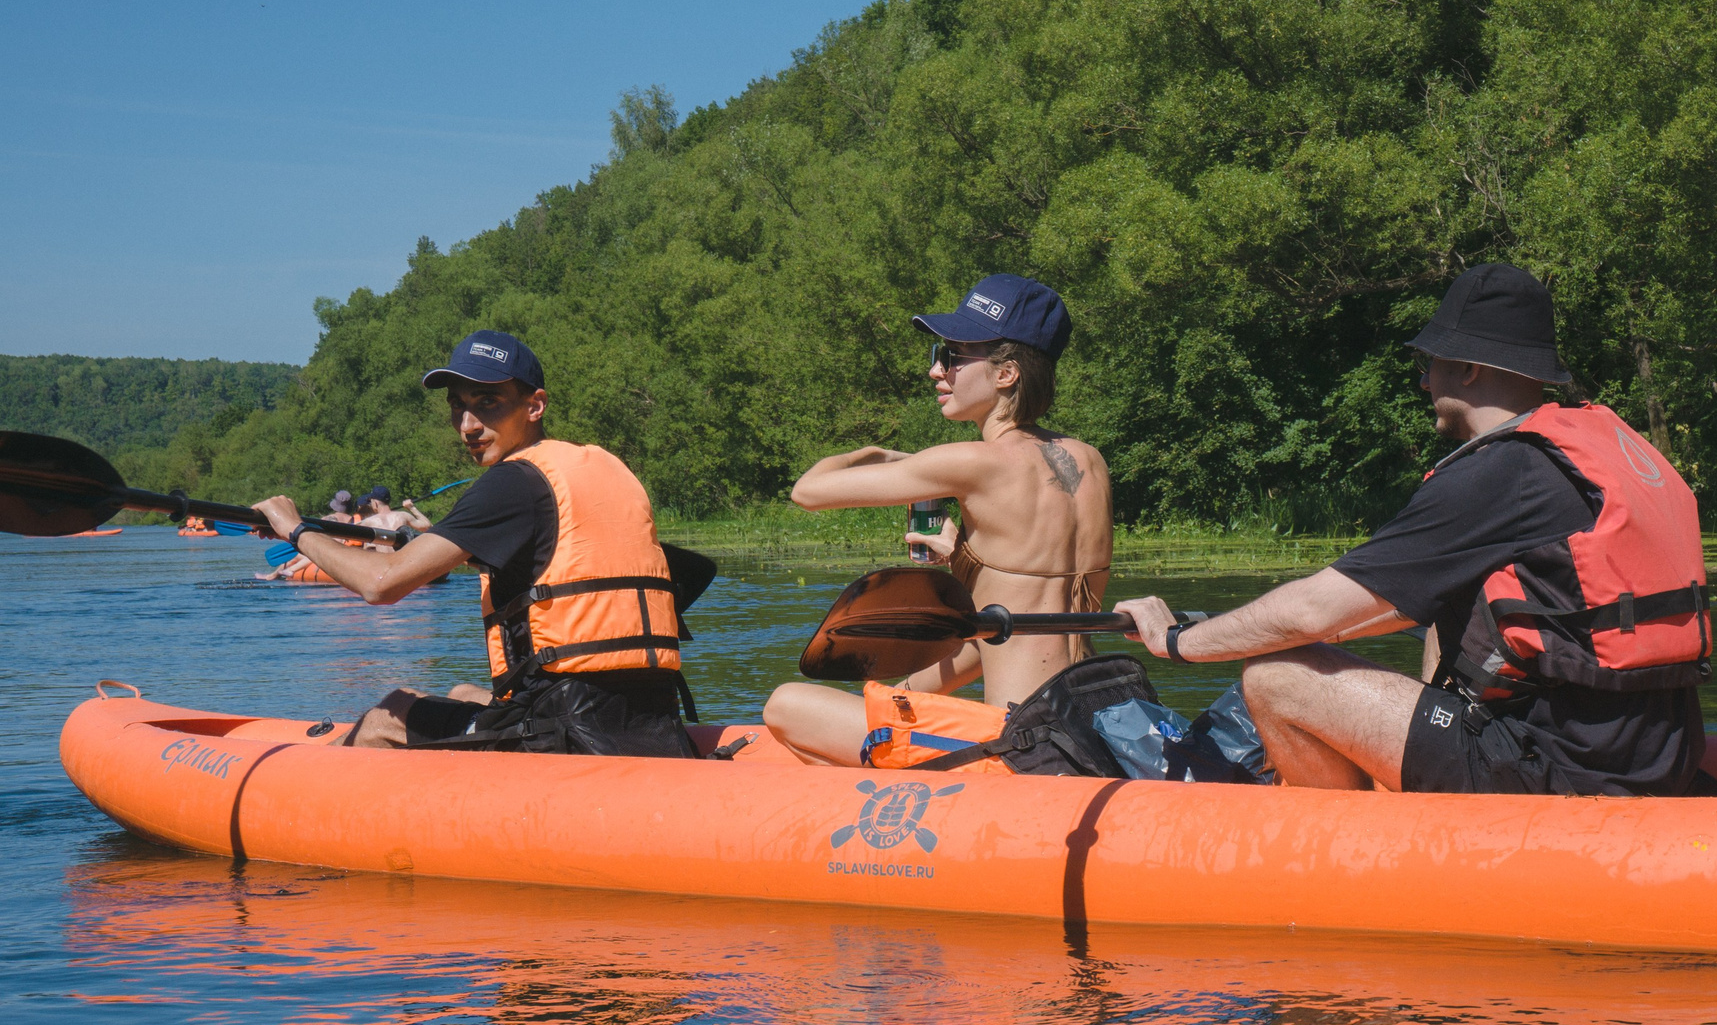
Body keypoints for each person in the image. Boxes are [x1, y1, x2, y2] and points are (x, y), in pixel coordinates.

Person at [1119, 262, 1709, 797]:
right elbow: (1384, 611)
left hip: (1562, 768)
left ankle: (1345, 853)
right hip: (1654, 757)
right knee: (1441, 612)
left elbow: (1313, 613)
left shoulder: (1502, 473)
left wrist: (1177, 641)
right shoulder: (1604, 455)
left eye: (1430, 365)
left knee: (1276, 676)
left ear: (1469, 368)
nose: (1425, 382)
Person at [252, 330, 693, 755]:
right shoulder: (606, 467)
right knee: (463, 692)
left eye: (487, 403)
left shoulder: (513, 481)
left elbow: (380, 583)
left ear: (534, 405)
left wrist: (296, 530)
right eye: (457, 406)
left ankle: (300, 780)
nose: (467, 425)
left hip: (564, 730)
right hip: (650, 717)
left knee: (389, 714)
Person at [762, 273, 1111, 763]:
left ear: (1007, 373)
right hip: (1088, 725)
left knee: (786, 704)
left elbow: (808, 491)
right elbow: (1008, 631)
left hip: (1019, 742)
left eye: (951, 356)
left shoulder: (971, 461)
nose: (936, 371)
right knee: (872, 707)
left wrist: (879, 453)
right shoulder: (1090, 462)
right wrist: (898, 694)